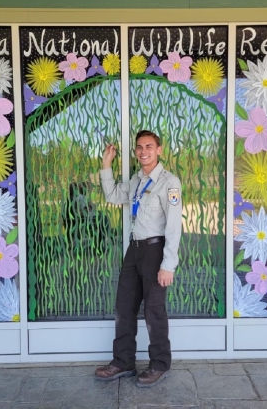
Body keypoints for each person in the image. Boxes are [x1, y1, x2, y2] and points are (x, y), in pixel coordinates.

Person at [94, 130, 182, 388]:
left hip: (156, 251)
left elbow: (174, 226)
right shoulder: (135, 180)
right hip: (134, 250)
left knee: (154, 310)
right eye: (139, 147)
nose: (144, 151)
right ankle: (123, 362)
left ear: (159, 150)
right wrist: (106, 165)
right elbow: (113, 196)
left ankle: (159, 364)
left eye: (149, 146)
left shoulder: (170, 182)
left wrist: (168, 264)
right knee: (124, 307)